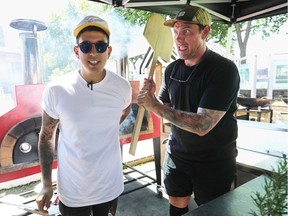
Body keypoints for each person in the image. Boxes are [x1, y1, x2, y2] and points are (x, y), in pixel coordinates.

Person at [137, 5, 240, 216]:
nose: (179, 38)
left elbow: (203, 124)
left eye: (186, 31)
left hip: (214, 160)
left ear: (205, 32)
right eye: (175, 31)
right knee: (176, 203)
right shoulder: (172, 69)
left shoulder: (223, 70)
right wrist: (152, 98)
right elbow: (165, 108)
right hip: (178, 154)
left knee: (211, 210)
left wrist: (154, 105)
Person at [36, 15, 132, 216]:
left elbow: (125, 110)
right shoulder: (57, 89)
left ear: (109, 50)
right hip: (73, 190)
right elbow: (46, 137)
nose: (94, 52)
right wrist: (46, 184)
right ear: (76, 51)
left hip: (109, 186)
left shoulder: (122, 87)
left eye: (100, 46)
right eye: (86, 46)